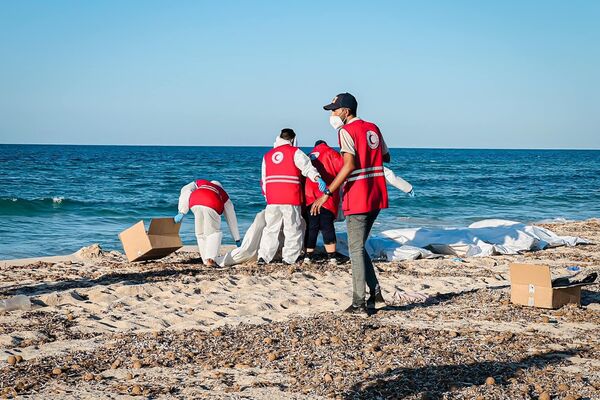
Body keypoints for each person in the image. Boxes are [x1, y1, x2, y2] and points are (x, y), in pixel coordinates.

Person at [311, 93, 389, 315]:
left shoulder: (345, 131)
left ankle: (358, 303)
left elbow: (348, 165)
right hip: (377, 194)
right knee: (358, 246)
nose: (333, 115)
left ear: (345, 111)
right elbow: (386, 156)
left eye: (334, 110)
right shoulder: (373, 127)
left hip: (359, 195)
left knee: (355, 250)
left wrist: (327, 193)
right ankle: (376, 294)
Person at [257, 128, 326, 265]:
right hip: (290, 196)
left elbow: (264, 179)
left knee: (270, 228)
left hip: (273, 199)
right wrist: (318, 178)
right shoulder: (295, 152)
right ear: (293, 139)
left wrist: (267, 197)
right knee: (292, 228)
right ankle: (289, 258)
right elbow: (307, 168)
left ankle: (264, 257)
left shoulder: (267, 156)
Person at [174, 179, 240, 267]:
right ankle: (211, 259)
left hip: (195, 201)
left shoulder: (200, 183)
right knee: (214, 233)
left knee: (200, 233)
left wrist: (182, 211)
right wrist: (237, 238)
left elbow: (185, 190)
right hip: (212, 202)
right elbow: (231, 218)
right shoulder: (222, 193)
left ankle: (205, 259)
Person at [303, 140, 344, 265]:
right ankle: (331, 257)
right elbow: (343, 168)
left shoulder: (307, 156)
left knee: (312, 226)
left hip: (310, 196)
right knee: (327, 226)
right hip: (328, 196)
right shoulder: (331, 153)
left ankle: (308, 256)